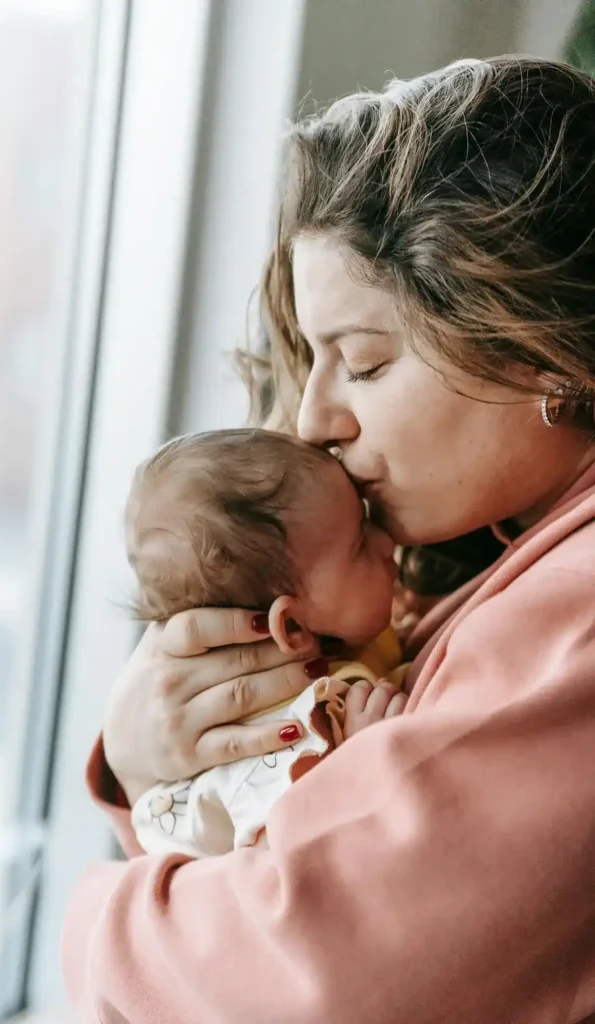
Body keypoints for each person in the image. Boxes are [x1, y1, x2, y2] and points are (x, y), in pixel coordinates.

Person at [61, 56, 595, 1023]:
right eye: (313, 360)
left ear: (537, 345)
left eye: (366, 361)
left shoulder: (575, 621)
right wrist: (168, 774)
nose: (313, 419)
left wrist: (96, 920)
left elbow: (306, 978)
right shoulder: (488, 578)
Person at [125, 427, 406, 857]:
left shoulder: (343, 643)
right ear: (291, 627)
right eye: (359, 544)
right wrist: (358, 761)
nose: (388, 543)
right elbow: (284, 869)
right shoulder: (279, 738)